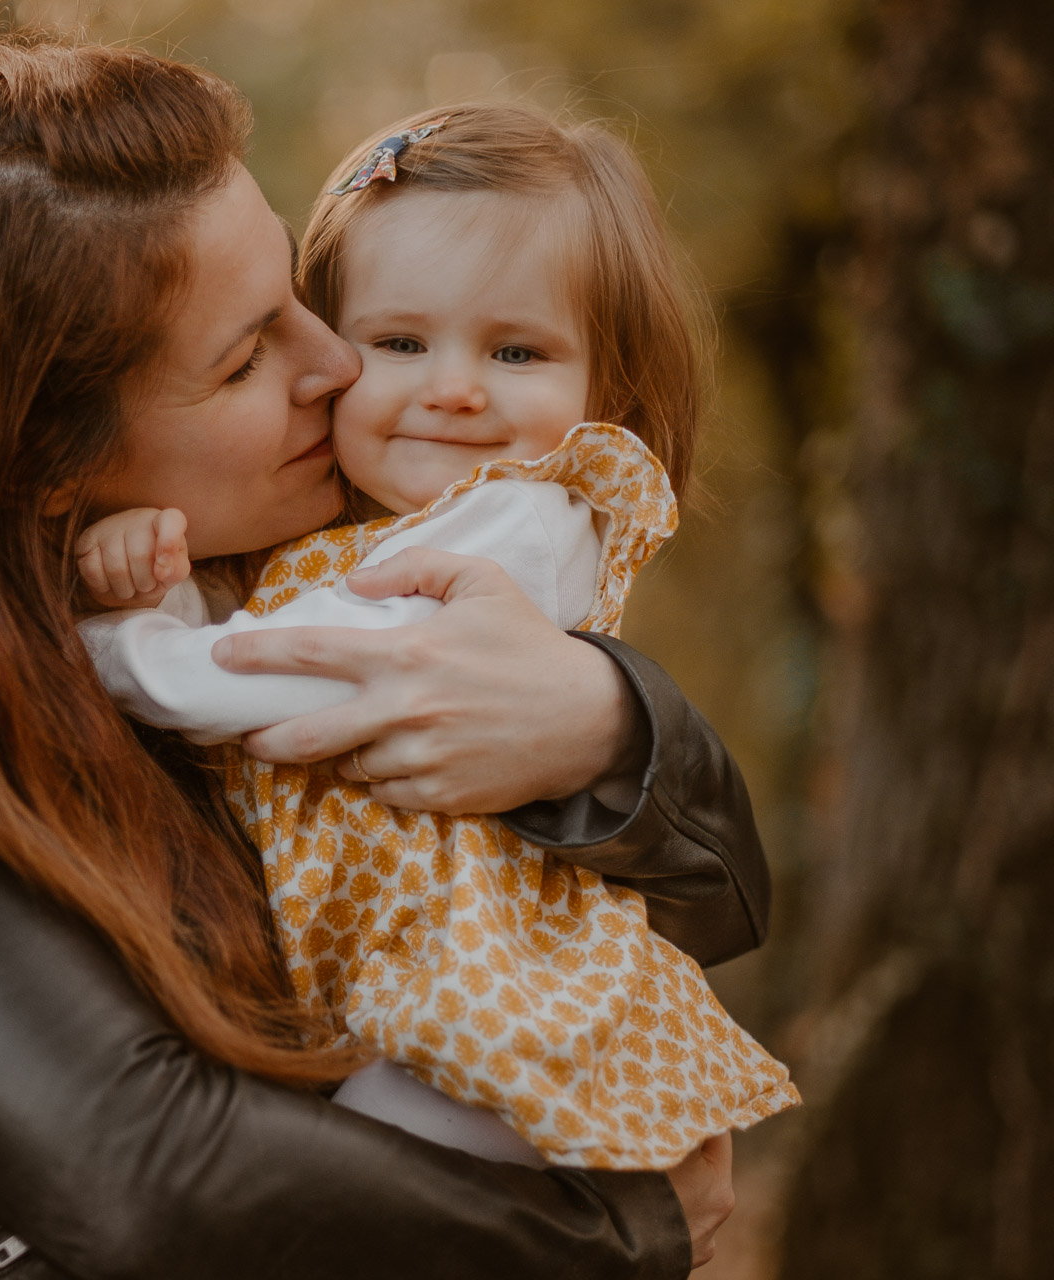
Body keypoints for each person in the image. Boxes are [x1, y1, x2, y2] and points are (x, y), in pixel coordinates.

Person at [0, 39, 755, 1278]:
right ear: (46, 458)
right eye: (246, 357)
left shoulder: (300, 577)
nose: (339, 362)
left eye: (302, 295)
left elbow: (717, 904)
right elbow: (140, 1166)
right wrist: (605, 1232)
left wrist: (605, 725)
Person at [72, 102, 799, 1171]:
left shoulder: (513, 521)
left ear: (609, 383)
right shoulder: (351, 533)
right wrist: (164, 580)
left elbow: (271, 676)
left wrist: (111, 638)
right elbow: (280, 629)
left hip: (462, 1001)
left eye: (515, 349)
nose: (453, 390)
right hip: (381, 986)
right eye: (400, 341)